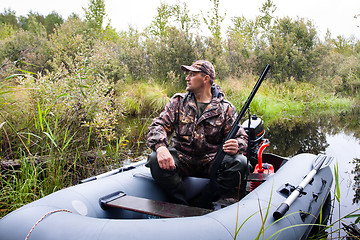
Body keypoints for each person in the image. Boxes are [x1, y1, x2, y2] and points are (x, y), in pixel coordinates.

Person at [146, 60, 248, 209]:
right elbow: (158, 125)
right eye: (188, 74)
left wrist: (237, 145)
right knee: (155, 159)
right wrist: (161, 147)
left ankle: (206, 201)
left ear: (205, 78)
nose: (187, 78)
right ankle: (182, 202)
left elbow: (242, 137)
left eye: (192, 75)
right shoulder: (178, 102)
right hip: (182, 158)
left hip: (211, 160)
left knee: (240, 162)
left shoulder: (226, 108)